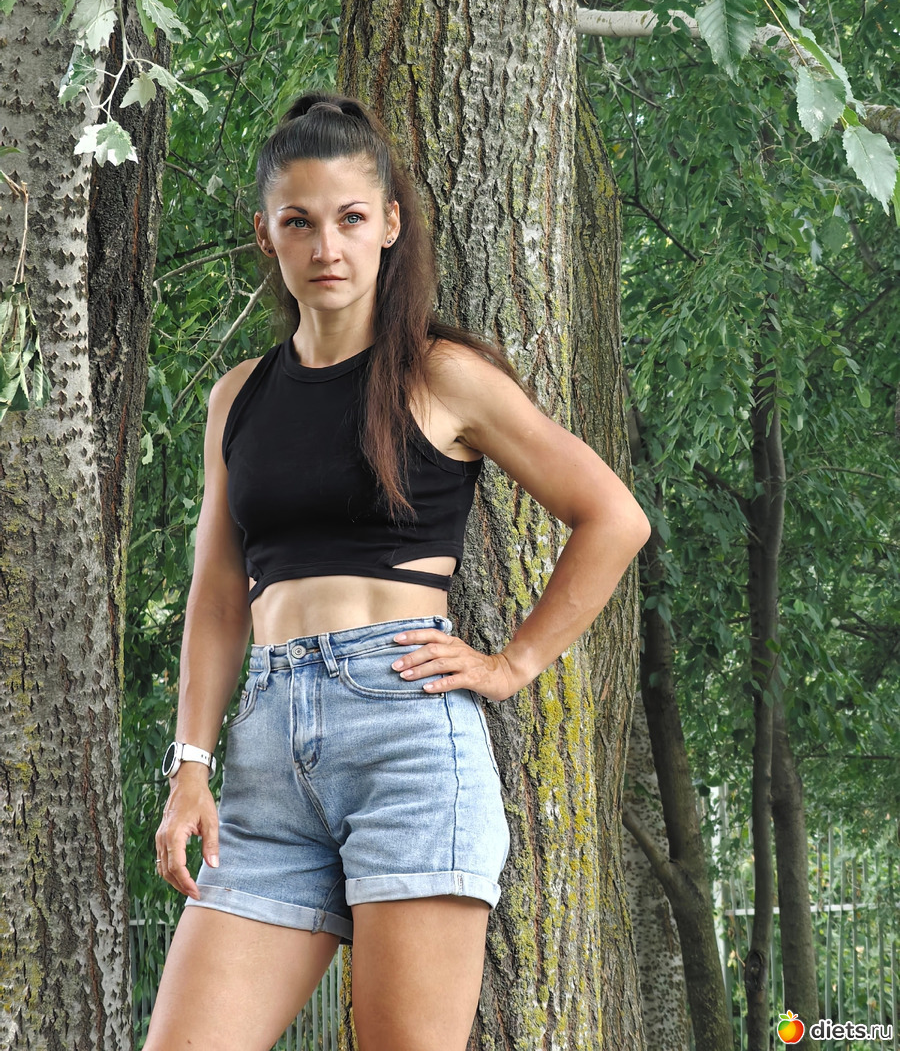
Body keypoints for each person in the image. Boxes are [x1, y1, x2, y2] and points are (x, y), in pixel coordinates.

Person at [145, 92, 650, 1051]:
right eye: (299, 222)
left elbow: (613, 518)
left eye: (349, 218)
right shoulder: (237, 399)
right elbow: (216, 598)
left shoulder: (440, 375)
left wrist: (512, 664)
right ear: (266, 234)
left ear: (389, 224)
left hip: (407, 746)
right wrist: (191, 766)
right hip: (265, 758)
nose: (326, 246)